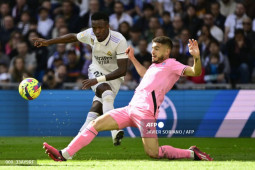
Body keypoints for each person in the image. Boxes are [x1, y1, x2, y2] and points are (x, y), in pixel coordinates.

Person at [43, 37, 213, 161]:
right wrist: (132, 58)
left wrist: (196, 57)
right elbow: (145, 75)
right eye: (152, 47)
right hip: (130, 109)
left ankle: (192, 153)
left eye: (157, 48)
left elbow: (195, 71)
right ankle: (64, 154)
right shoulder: (155, 66)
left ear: (167, 51)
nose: (152, 51)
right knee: (96, 124)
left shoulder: (172, 64)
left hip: (146, 114)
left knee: (154, 153)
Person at [33, 12, 128, 146]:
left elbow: (122, 70)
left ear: (108, 27)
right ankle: (115, 131)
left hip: (115, 75)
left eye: (100, 28)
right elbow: (73, 37)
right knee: (106, 93)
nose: (97, 31)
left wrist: (98, 80)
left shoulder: (119, 41)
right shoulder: (91, 34)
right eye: (94, 28)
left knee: (97, 107)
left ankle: (75, 142)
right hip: (96, 70)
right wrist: (48, 42)